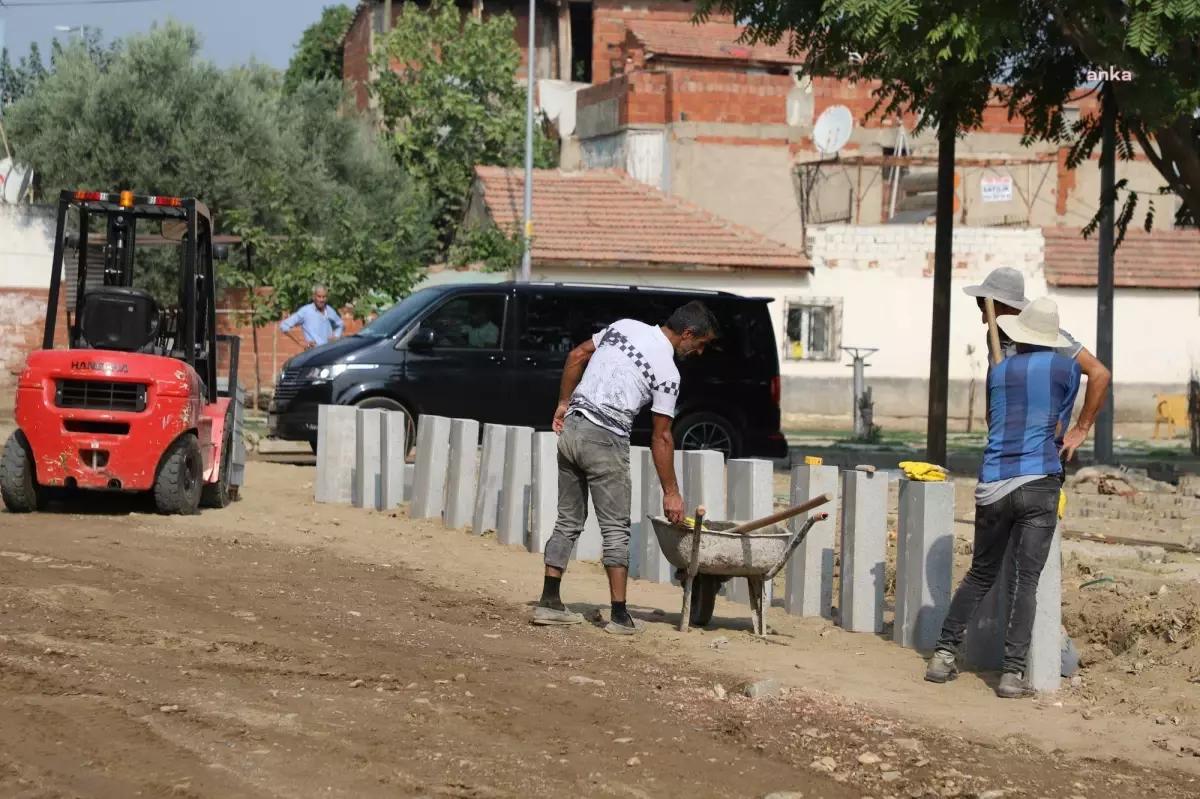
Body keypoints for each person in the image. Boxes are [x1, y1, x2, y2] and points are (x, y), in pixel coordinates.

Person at [925, 297, 1082, 698]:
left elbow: (994, 421)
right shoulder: (1067, 369)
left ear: (1021, 336)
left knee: (981, 573)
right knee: (1025, 581)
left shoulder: (998, 372)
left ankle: (942, 655)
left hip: (993, 483)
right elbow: (1058, 426)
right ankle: (1012, 674)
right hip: (1039, 483)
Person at [531, 301, 718, 634]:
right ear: (687, 334)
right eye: (700, 344)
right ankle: (619, 616)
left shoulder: (624, 326)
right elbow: (661, 437)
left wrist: (563, 402)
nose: (699, 352)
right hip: (605, 438)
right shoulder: (669, 374)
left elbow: (576, 355)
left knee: (568, 519)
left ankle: (549, 602)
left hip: (572, 428)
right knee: (616, 529)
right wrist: (671, 493)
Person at [963, 268, 1110, 461]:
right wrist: (991, 414)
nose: (984, 320)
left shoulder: (1048, 337)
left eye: (986, 311)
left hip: (1042, 453)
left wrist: (1081, 429)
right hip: (1006, 447)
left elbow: (1100, 374)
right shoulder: (994, 336)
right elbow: (994, 371)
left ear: (1007, 307)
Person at [280, 284, 344, 349]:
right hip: (313, 352)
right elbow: (284, 326)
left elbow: (340, 323)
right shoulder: (305, 311)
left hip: (328, 351)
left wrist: (336, 336)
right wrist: (301, 342)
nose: (321, 300)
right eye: (319, 296)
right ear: (313, 297)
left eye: (324, 297)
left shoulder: (329, 310)